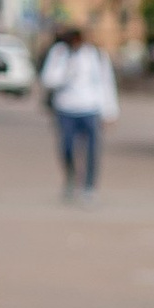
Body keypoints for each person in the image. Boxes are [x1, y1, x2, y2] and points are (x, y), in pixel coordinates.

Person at [40, 25, 118, 194]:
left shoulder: (96, 54)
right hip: (65, 108)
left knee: (92, 150)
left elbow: (106, 83)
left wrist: (110, 111)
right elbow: (48, 80)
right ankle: (71, 177)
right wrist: (67, 70)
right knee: (66, 147)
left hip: (90, 108)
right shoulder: (59, 53)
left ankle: (89, 185)